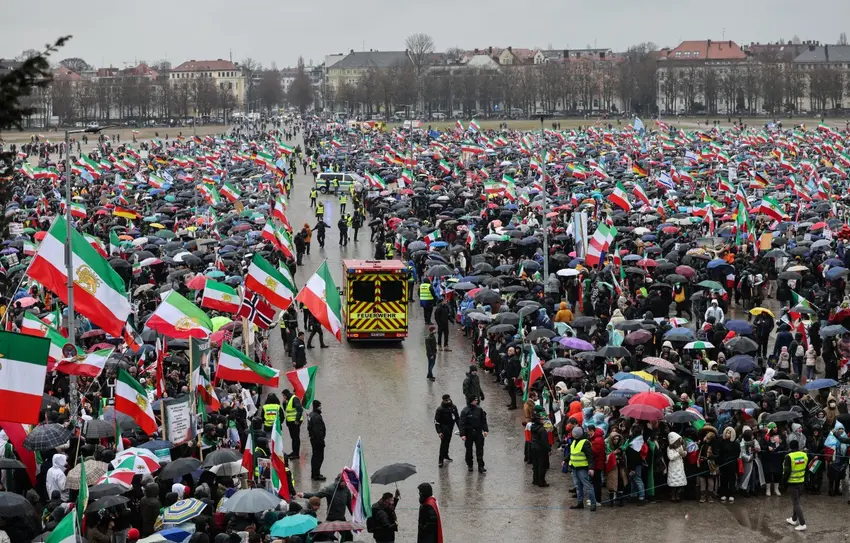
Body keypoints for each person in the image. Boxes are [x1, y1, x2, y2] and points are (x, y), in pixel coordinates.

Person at [567, 426, 596, 511]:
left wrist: (591, 468)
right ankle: (580, 503)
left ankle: (593, 503)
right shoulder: (574, 442)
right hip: (575, 467)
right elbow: (572, 453)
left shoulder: (585, 442)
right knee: (577, 486)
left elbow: (590, 456)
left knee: (588, 486)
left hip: (582, 468)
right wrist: (566, 460)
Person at [458, 396, 488, 473]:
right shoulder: (465, 411)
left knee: (480, 450)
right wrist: (463, 434)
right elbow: (462, 423)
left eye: (477, 400)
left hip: (478, 432)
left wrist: (485, 430)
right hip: (469, 433)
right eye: (475, 400)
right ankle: (470, 464)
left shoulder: (479, 409)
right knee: (469, 450)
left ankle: (481, 466)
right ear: (471, 401)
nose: (476, 401)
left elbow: (483, 420)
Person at [784, 439, 808, 531]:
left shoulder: (789, 456)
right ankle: (793, 519)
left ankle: (802, 523)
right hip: (801, 481)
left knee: (796, 503)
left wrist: (784, 482)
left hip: (792, 482)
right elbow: (806, 468)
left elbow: (787, 472)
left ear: (790, 447)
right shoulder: (804, 455)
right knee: (797, 501)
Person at [434, 394, 459, 467]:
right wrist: (439, 432)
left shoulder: (453, 407)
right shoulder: (440, 409)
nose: (448, 401)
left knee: (448, 442)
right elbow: (436, 421)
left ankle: (446, 455)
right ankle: (440, 460)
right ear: (443, 400)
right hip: (443, 429)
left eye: (449, 399)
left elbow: (457, 418)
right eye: (446, 400)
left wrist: (460, 428)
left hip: (450, 427)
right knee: (443, 444)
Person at [529, 406, 551, 486]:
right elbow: (545, 442)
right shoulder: (542, 430)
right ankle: (541, 481)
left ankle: (535, 480)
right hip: (541, 449)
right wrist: (548, 449)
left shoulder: (533, 427)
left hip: (533, 447)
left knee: (535, 465)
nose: (543, 420)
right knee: (542, 465)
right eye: (541, 419)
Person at [282, 389, 304, 458]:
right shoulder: (289, 400)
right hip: (291, 422)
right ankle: (294, 452)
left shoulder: (294, 399)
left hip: (295, 422)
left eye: (283, 395)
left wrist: (297, 420)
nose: (283, 397)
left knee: (296, 438)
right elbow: (286, 410)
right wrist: (284, 403)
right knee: (293, 438)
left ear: (286, 394)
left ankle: (296, 454)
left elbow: (300, 410)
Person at [307, 400, 326, 480]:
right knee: (319, 457)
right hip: (317, 440)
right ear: (317, 406)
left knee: (315, 456)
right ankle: (316, 475)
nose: (321, 407)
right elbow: (318, 431)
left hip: (313, 439)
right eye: (320, 405)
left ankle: (314, 473)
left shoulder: (311, 415)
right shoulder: (317, 417)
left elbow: (309, 428)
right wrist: (321, 441)